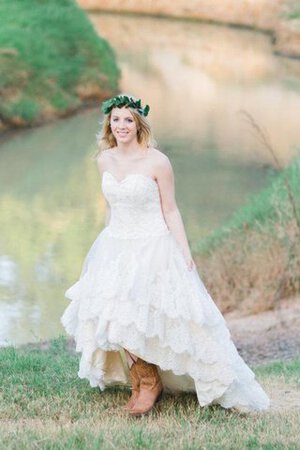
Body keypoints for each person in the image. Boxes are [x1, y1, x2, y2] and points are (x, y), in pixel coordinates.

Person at [60, 94, 270, 416]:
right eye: (115, 119)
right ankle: (143, 380)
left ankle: (151, 384)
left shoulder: (157, 161)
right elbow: (111, 209)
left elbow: (170, 210)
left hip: (153, 244)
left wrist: (185, 253)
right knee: (111, 315)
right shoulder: (104, 160)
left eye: (128, 119)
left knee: (151, 318)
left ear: (139, 123)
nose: (121, 126)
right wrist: (103, 248)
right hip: (116, 244)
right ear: (108, 124)